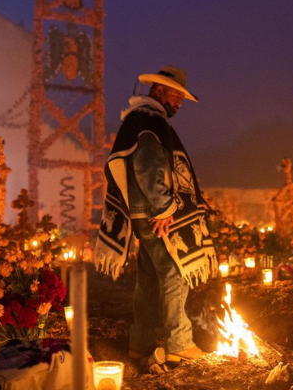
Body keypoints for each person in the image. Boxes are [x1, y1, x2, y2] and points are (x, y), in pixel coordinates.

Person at [93, 65, 217, 368]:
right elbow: (148, 168)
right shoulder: (149, 121)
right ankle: (179, 344)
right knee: (175, 272)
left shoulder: (142, 120)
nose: (180, 102)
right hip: (155, 215)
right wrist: (163, 208)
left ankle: (140, 344)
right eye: (177, 95)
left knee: (148, 281)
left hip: (142, 214)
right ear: (159, 90)